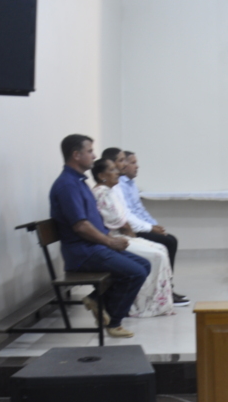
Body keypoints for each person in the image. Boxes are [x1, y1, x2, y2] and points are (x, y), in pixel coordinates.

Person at [49, 135, 149, 339]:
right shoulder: (68, 185)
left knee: (144, 265)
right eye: (90, 151)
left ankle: (97, 300)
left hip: (95, 247)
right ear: (76, 155)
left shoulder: (78, 181)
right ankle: (114, 322)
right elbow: (80, 226)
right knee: (136, 273)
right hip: (83, 252)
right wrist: (110, 241)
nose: (94, 156)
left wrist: (109, 240)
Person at [90, 158, 175, 317]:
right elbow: (115, 219)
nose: (117, 172)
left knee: (162, 248)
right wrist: (129, 231)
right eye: (112, 170)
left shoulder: (109, 190)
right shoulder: (101, 192)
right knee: (157, 255)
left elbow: (123, 215)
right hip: (114, 238)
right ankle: (142, 304)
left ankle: (156, 301)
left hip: (120, 235)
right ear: (101, 175)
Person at [109, 148, 189, 306]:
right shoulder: (118, 185)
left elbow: (139, 209)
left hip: (135, 227)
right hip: (127, 231)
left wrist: (153, 224)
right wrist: (149, 228)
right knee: (167, 243)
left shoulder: (129, 184)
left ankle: (166, 288)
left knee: (169, 239)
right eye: (129, 162)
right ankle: (164, 291)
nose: (135, 166)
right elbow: (126, 216)